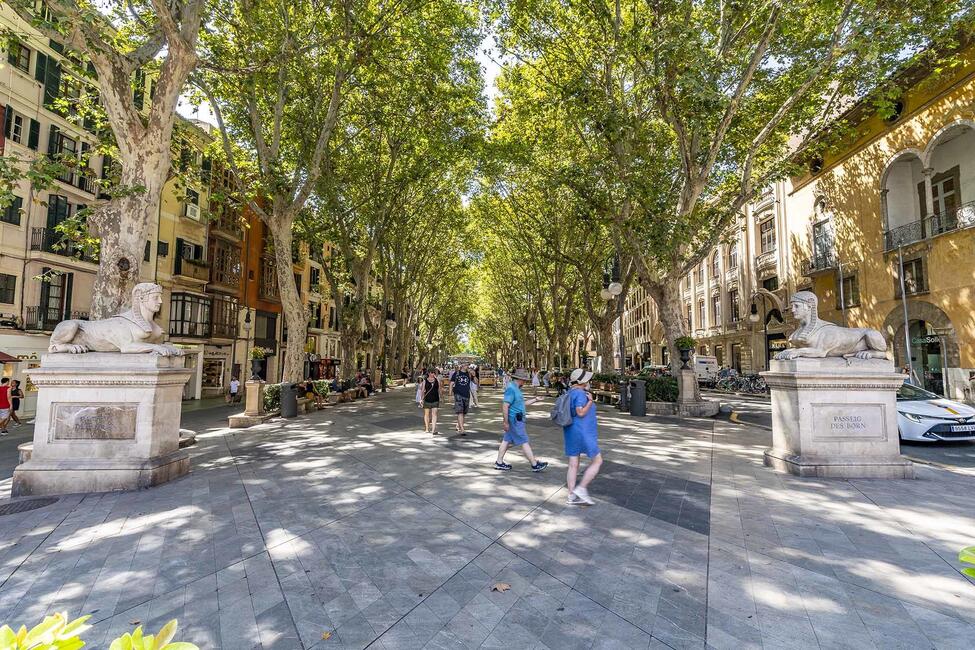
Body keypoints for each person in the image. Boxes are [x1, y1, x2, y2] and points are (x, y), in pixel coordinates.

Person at [494, 368, 548, 472]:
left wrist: (536, 399)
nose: (525, 382)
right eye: (524, 380)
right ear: (520, 379)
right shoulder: (511, 389)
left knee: (506, 441)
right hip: (515, 420)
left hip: (516, 419)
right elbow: (505, 406)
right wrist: (505, 422)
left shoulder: (516, 388)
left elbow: (521, 404)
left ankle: (499, 462)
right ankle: (534, 464)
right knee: (524, 441)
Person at [563, 369, 603, 505]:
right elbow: (580, 412)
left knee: (573, 464)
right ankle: (581, 488)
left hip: (571, 431)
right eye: (586, 380)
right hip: (583, 432)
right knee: (598, 460)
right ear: (581, 382)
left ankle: (571, 495)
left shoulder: (569, 393)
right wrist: (590, 401)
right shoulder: (580, 394)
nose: (588, 382)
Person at [450, 363, 472, 434]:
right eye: (466, 365)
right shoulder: (457, 373)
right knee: (460, 412)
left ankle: (458, 424)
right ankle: (462, 429)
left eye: (468, 365)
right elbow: (451, 383)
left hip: (467, 395)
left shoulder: (469, 374)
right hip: (458, 394)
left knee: (464, 412)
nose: (467, 366)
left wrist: (474, 375)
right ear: (462, 365)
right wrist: (450, 394)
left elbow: (475, 382)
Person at [420, 369, 441, 434]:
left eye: (434, 373)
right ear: (428, 373)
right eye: (432, 373)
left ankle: (433, 429)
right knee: (426, 414)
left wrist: (441, 397)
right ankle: (427, 428)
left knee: (434, 414)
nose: (433, 374)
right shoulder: (425, 381)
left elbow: (439, 389)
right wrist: (421, 399)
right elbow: (423, 390)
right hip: (427, 399)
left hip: (435, 399)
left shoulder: (437, 380)